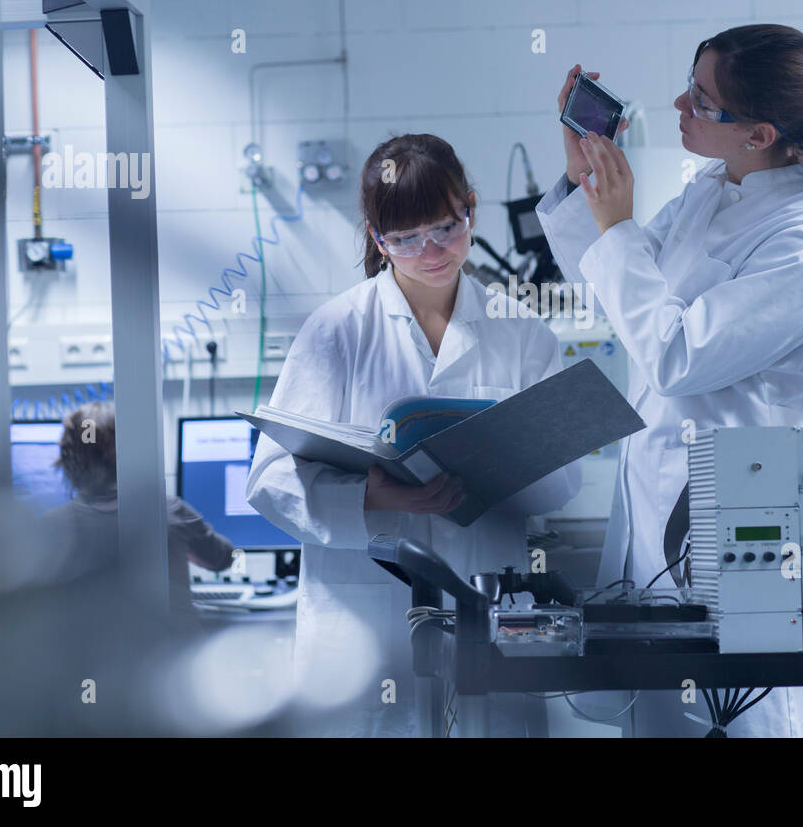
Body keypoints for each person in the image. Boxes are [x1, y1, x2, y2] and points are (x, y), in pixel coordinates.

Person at [536, 25, 803, 737]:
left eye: (703, 103)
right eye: (690, 82)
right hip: (662, 512)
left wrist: (616, 229)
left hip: (741, 526)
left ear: (760, 132)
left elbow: (679, 357)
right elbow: (626, 295)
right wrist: (591, 190)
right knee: (663, 722)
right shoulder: (712, 188)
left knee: (741, 722)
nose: (678, 102)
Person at [245, 133, 581, 736]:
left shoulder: (522, 332)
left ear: (471, 210)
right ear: (377, 238)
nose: (429, 250)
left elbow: (563, 478)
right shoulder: (336, 332)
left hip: (485, 608)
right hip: (364, 626)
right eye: (404, 238)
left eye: (445, 228)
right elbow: (271, 481)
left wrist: (502, 469)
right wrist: (375, 497)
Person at [41, 401, 235, 626]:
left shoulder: (51, 530)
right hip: (176, 656)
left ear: (68, 460)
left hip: (95, 658)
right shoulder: (169, 512)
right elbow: (221, 558)